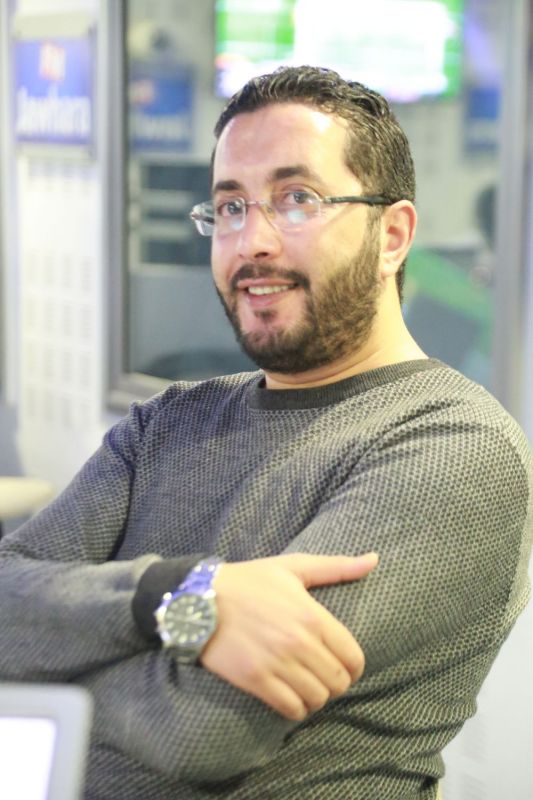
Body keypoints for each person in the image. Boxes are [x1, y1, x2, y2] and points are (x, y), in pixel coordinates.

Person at [1, 66, 532, 800]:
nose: (252, 241)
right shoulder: (166, 423)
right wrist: (175, 594)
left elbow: (197, 728)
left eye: (296, 200)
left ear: (391, 236)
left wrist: (46, 664)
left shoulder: (451, 445)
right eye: (229, 207)